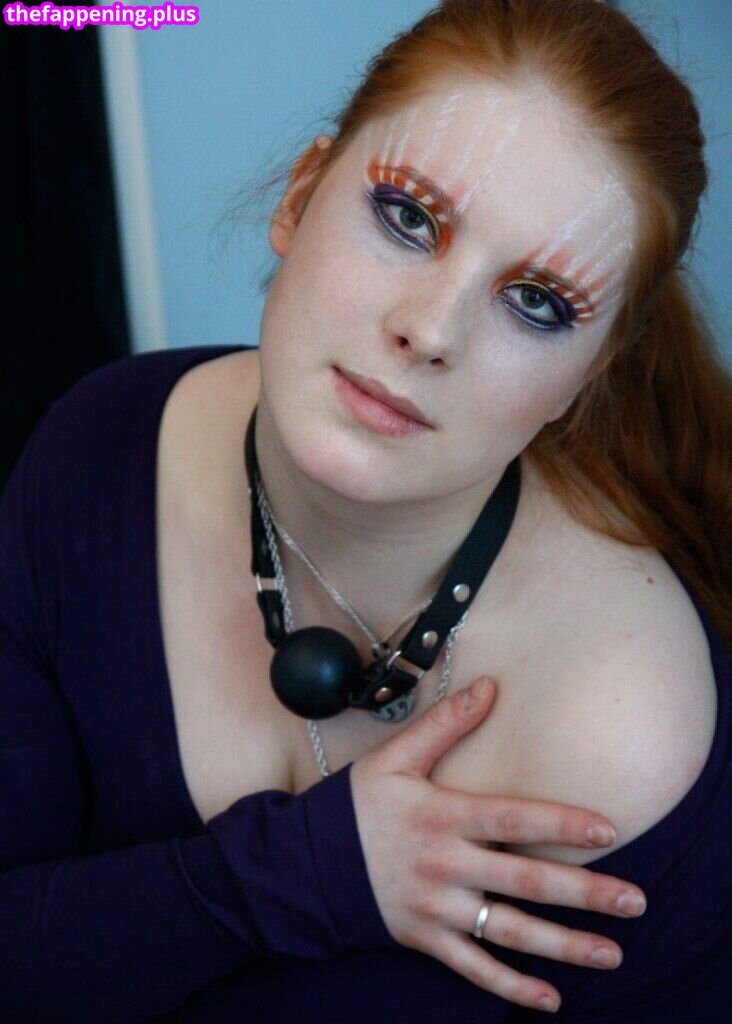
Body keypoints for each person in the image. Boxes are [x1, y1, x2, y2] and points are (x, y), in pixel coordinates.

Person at [1, 0, 730, 1021]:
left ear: (587, 379)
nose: (429, 331)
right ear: (300, 196)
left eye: (536, 303)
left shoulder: (623, 730)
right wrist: (303, 871)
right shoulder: (97, 451)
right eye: (408, 219)